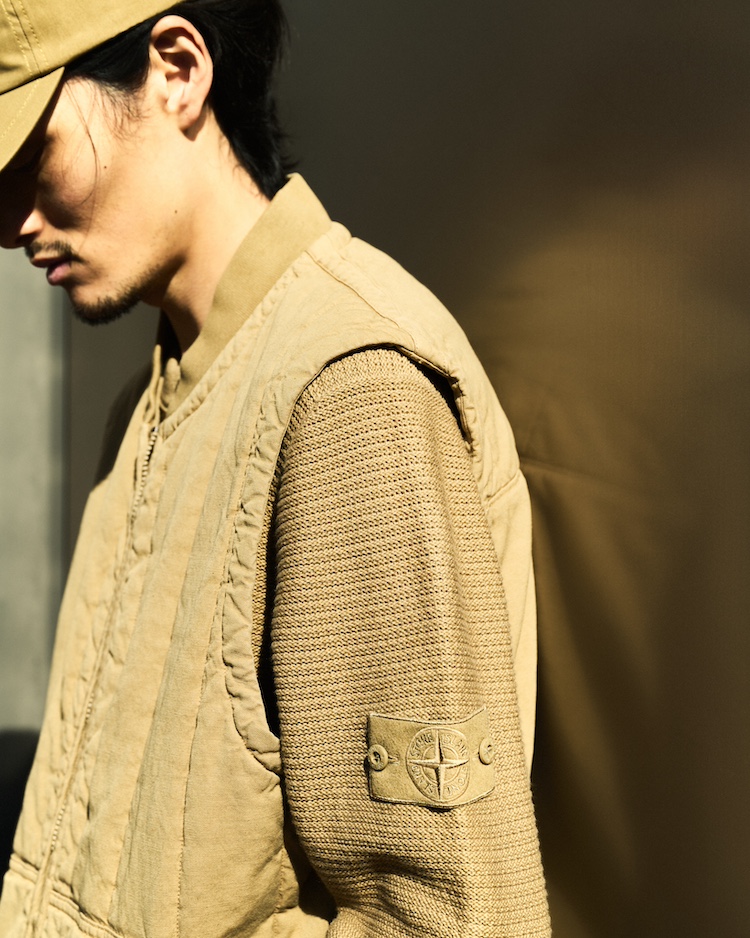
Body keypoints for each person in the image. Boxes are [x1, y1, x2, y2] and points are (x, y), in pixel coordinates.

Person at [0, 1, 550, 934]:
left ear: (177, 71)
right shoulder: (145, 407)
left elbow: (448, 917)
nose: (9, 222)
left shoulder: (351, 392)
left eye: (31, 156)